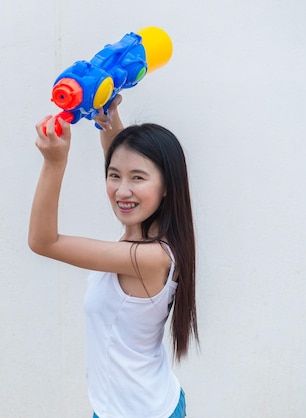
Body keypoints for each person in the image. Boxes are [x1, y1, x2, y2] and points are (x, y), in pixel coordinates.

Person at [28, 96, 198, 418]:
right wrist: (108, 118)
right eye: (114, 175)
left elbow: (43, 241)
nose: (121, 191)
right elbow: (121, 159)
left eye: (137, 178)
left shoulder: (147, 258)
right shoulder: (150, 230)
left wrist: (53, 162)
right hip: (133, 405)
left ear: (166, 187)